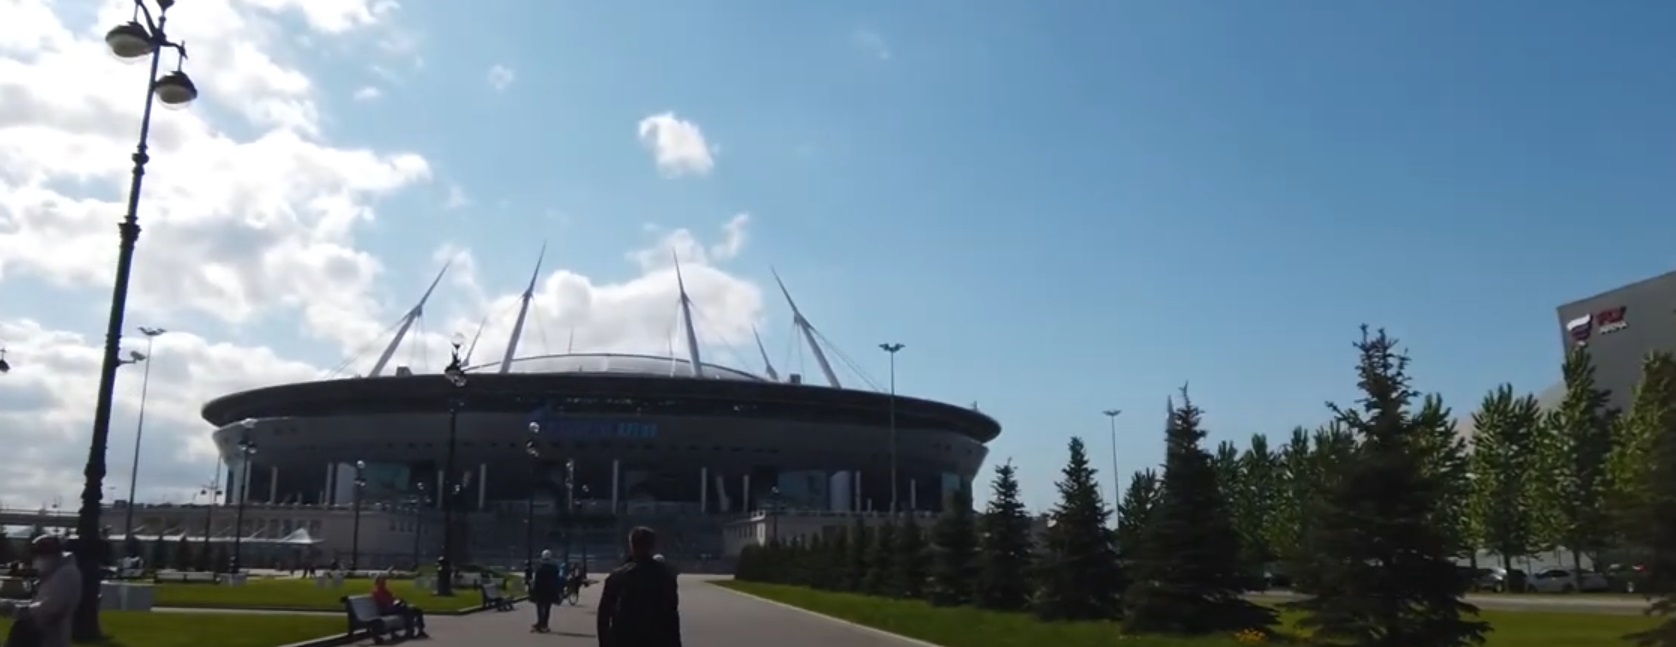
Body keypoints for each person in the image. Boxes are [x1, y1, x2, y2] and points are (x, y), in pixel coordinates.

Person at [596, 527, 682, 647]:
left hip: (623, 639)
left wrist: (604, 643)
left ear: (631, 545)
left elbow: (604, 615)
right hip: (656, 639)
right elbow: (672, 616)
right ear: (652, 546)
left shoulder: (618, 576)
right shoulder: (666, 577)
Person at [0, 535, 83, 647]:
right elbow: (42, 602)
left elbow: (51, 608)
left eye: (40, 555)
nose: (37, 560)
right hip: (45, 634)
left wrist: (16, 610)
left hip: (50, 637)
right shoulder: (55, 573)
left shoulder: (66, 574)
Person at [528, 550, 562, 633]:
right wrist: (558, 591)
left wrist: (532, 591)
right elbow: (556, 580)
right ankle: (544, 624)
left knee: (539, 608)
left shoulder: (539, 568)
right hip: (550, 591)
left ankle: (540, 623)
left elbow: (536, 581)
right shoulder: (554, 568)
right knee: (547, 608)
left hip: (540, 591)